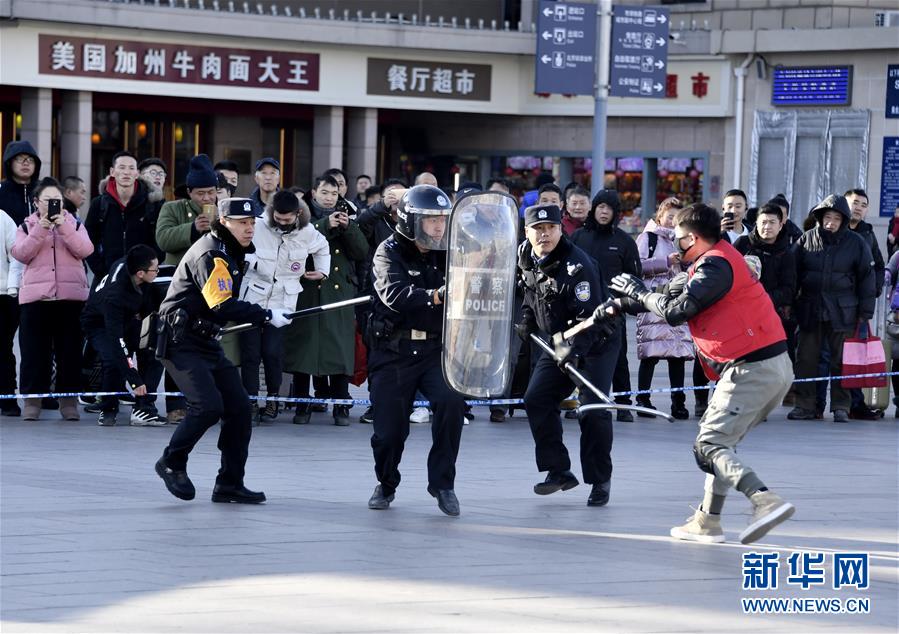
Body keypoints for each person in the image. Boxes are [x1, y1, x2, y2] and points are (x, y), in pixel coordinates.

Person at [601, 202, 796, 545]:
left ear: (691, 238)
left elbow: (678, 310)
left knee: (709, 444)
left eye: (677, 238)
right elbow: (665, 296)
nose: (675, 243)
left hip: (752, 368)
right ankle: (707, 521)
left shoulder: (715, 266)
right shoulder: (709, 263)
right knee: (720, 443)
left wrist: (640, 293)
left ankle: (764, 500)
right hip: (760, 366)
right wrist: (621, 302)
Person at [153, 197, 294, 504]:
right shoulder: (212, 253)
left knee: (240, 408)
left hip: (205, 339)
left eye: (253, 223)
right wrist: (266, 314)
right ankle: (171, 461)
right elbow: (222, 303)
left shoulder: (231, 250)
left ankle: (229, 483)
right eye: (242, 223)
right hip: (181, 341)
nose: (249, 228)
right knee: (207, 405)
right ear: (224, 222)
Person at [365, 184, 466, 516]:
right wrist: (436, 295)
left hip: (435, 350)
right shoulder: (387, 252)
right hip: (394, 351)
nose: (439, 227)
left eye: (442, 219)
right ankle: (386, 481)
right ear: (410, 220)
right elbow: (395, 295)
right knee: (390, 432)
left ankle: (442, 483)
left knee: (452, 403)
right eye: (431, 220)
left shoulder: (448, 250)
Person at [517, 203, 619, 507]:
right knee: (536, 398)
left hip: (595, 341)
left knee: (592, 410)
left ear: (561, 229)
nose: (545, 234)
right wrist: (526, 319)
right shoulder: (526, 257)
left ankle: (600, 479)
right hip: (558, 341)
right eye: (538, 229)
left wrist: (573, 355)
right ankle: (558, 470)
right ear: (527, 232)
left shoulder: (578, 265)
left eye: (550, 228)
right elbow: (530, 292)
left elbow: (591, 319)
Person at [283, 175, 368, 426]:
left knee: (339, 348)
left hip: (338, 292)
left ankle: (341, 404)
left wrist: (347, 228)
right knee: (303, 349)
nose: (330, 197)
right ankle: (301, 404)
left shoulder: (347, 214)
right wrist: (324, 225)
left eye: (334, 193)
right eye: (325, 192)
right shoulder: (301, 216)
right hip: (306, 288)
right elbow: (296, 243)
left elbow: (361, 251)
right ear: (314, 192)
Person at [240, 190, 329, 422]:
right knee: (250, 353)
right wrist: (248, 261)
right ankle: (248, 401)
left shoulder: (308, 231)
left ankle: (272, 399)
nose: (281, 223)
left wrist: (323, 271)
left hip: (284, 301)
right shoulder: (258, 225)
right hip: (253, 297)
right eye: (277, 218)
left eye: (287, 220)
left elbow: (323, 247)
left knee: (272, 353)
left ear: (297, 214)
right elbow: (237, 243)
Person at [788, 194, 876, 423]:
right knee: (805, 359)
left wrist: (866, 312)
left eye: (837, 218)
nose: (831, 222)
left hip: (844, 310)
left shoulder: (856, 243)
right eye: (828, 217)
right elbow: (792, 275)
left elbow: (867, 277)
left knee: (842, 361)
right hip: (810, 308)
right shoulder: (806, 240)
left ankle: (841, 406)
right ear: (820, 218)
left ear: (844, 220)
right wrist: (789, 304)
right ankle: (804, 405)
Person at [12, 177, 93, 421]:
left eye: (56, 200)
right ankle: (32, 403)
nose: (52, 205)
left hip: (70, 299)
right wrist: (42, 228)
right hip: (37, 300)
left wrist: (63, 227)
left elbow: (85, 250)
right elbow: (21, 253)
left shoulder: (74, 223)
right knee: (35, 354)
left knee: (69, 353)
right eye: (47, 201)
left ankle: (68, 403)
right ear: (37, 202)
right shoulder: (27, 226)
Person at [571, 188, 641, 421]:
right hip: (582, 309)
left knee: (619, 358)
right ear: (594, 209)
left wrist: (625, 302)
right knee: (579, 355)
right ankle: (579, 402)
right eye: (601, 207)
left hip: (613, 310)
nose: (604, 212)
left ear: (615, 213)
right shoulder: (579, 237)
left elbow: (634, 276)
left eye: (609, 208)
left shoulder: (624, 241)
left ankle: (623, 404)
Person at [80, 245, 166, 426]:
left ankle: (143, 409)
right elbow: (116, 340)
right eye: (155, 269)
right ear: (140, 273)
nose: (158, 272)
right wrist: (133, 379)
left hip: (128, 316)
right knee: (113, 358)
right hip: (99, 322)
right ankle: (107, 408)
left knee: (152, 351)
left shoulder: (134, 269)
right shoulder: (116, 293)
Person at [633, 197, 692, 419]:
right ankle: (643, 399)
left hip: (677, 300)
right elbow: (637, 266)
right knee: (650, 353)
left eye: (677, 218)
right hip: (653, 300)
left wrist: (685, 261)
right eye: (669, 216)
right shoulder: (647, 237)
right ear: (660, 216)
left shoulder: (684, 239)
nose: (672, 221)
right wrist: (666, 261)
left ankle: (678, 402)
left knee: (677, 355)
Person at [733, 203, 797, 363]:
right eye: (763, 222)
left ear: (781, 225)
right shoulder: (742, 244)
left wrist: (762, 299)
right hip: (741, 313)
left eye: (772, 222)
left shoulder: (787, 253)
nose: (767, 226)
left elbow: (788, 288)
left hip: (771, 314)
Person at [84, 151, 163, 279]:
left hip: (143, 279)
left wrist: (147, 269)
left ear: (137, 173)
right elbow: (88, 240)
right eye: (121, 167)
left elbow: (160, 241)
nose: (126, 172)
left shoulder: (152, 204)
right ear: (112, 172)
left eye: (131, 168)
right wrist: (102, 270)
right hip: (108, 278)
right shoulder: (99, 204)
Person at [844, 188, 886, 420]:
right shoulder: (834, 229)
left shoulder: (868, 234)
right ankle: (819, 404)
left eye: (862, 204)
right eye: (854, 202)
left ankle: (855, 404)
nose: (858, 207)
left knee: (856, 355)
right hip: (835, 303)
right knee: (829, 355)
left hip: (859, 305)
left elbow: (878, 266)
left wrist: (875, 288)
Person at [155, 154, 219, 267]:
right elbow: (163, 239)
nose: (206, 198)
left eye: (211, 192)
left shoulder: (224, 210)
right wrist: (193, 229)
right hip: (179, 271)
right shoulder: (172, 208)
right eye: (200, 193)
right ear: (189, 192)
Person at [0, 209, 24, 416]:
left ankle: (7, 398)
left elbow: (16, 255)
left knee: (3, 349)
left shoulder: (3, 218)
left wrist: (12, 288)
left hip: (2, 294)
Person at [0, 140, 41, 226]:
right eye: (19, 159)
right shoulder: (1, 190)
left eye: (30, 159)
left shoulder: (44, 189)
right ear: (9, 163)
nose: (26, 163)